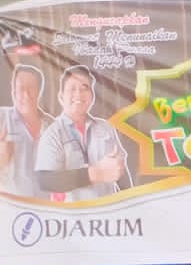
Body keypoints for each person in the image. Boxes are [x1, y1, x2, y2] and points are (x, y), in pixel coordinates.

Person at [34, 64, 128, 201]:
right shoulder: (53, 134)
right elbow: (46, 180)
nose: (78, 94)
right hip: (72, 213)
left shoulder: (105, 128)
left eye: (84, 88)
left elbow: (121, 171)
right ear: (61, 96)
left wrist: (132, 203)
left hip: (107, 212)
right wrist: (95, 174)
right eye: (72, 89)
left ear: (92, 96)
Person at [0, 63, 48, 197]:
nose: (26, 94)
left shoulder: (52, 126)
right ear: (13, 92)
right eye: (21, 88)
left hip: (46, 206)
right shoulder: (1, 118)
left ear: (39, 92)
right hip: (10, 207)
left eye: (31, 88)